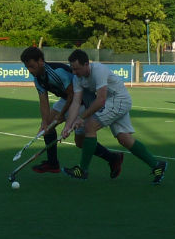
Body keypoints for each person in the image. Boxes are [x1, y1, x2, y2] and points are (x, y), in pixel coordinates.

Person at [61, 49, 167, 184]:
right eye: (72, 69)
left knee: (89, 126)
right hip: (112, 102)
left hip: (119, 99)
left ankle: (83, 170)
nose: (74, 72)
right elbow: (76, 102)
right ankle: (157, 165)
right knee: (124, 138)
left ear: (87, 64)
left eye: (77, 69)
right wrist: (68, 126)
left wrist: (82, 118)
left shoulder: (98, 70)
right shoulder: (77, 78)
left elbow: (100, 100)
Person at [20, 47, 124, 178]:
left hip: (80, 101)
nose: (30, 70)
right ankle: (53, 164)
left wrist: (61, 115)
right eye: (27, 67)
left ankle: (113, 158)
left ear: (41, 61)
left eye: (32, 66)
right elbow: (43, 101)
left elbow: (72, 94)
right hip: (66, 99)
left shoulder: (56, 72)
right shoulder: (38, 78)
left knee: (80, 143)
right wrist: (44, 122)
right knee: (48, 128)